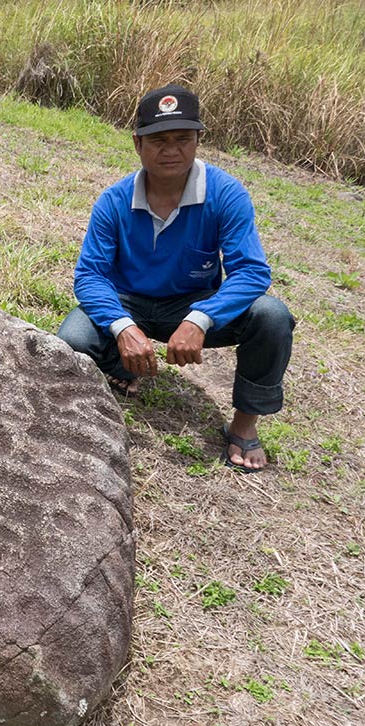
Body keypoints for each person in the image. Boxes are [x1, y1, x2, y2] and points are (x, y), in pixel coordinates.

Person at [57, 84, 295, 473]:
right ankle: (119, 364)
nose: (171, 150)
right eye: (158, 139)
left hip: (191, 303)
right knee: (72, 340)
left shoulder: (226, 194)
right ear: (137, 144)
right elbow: (90, 275)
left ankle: (243, 426)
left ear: (199, 139)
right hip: (127, 301)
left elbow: (252, 272)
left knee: (271, 316)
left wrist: (201, 318)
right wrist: (122, 327)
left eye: (183, 138)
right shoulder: (114, 201)